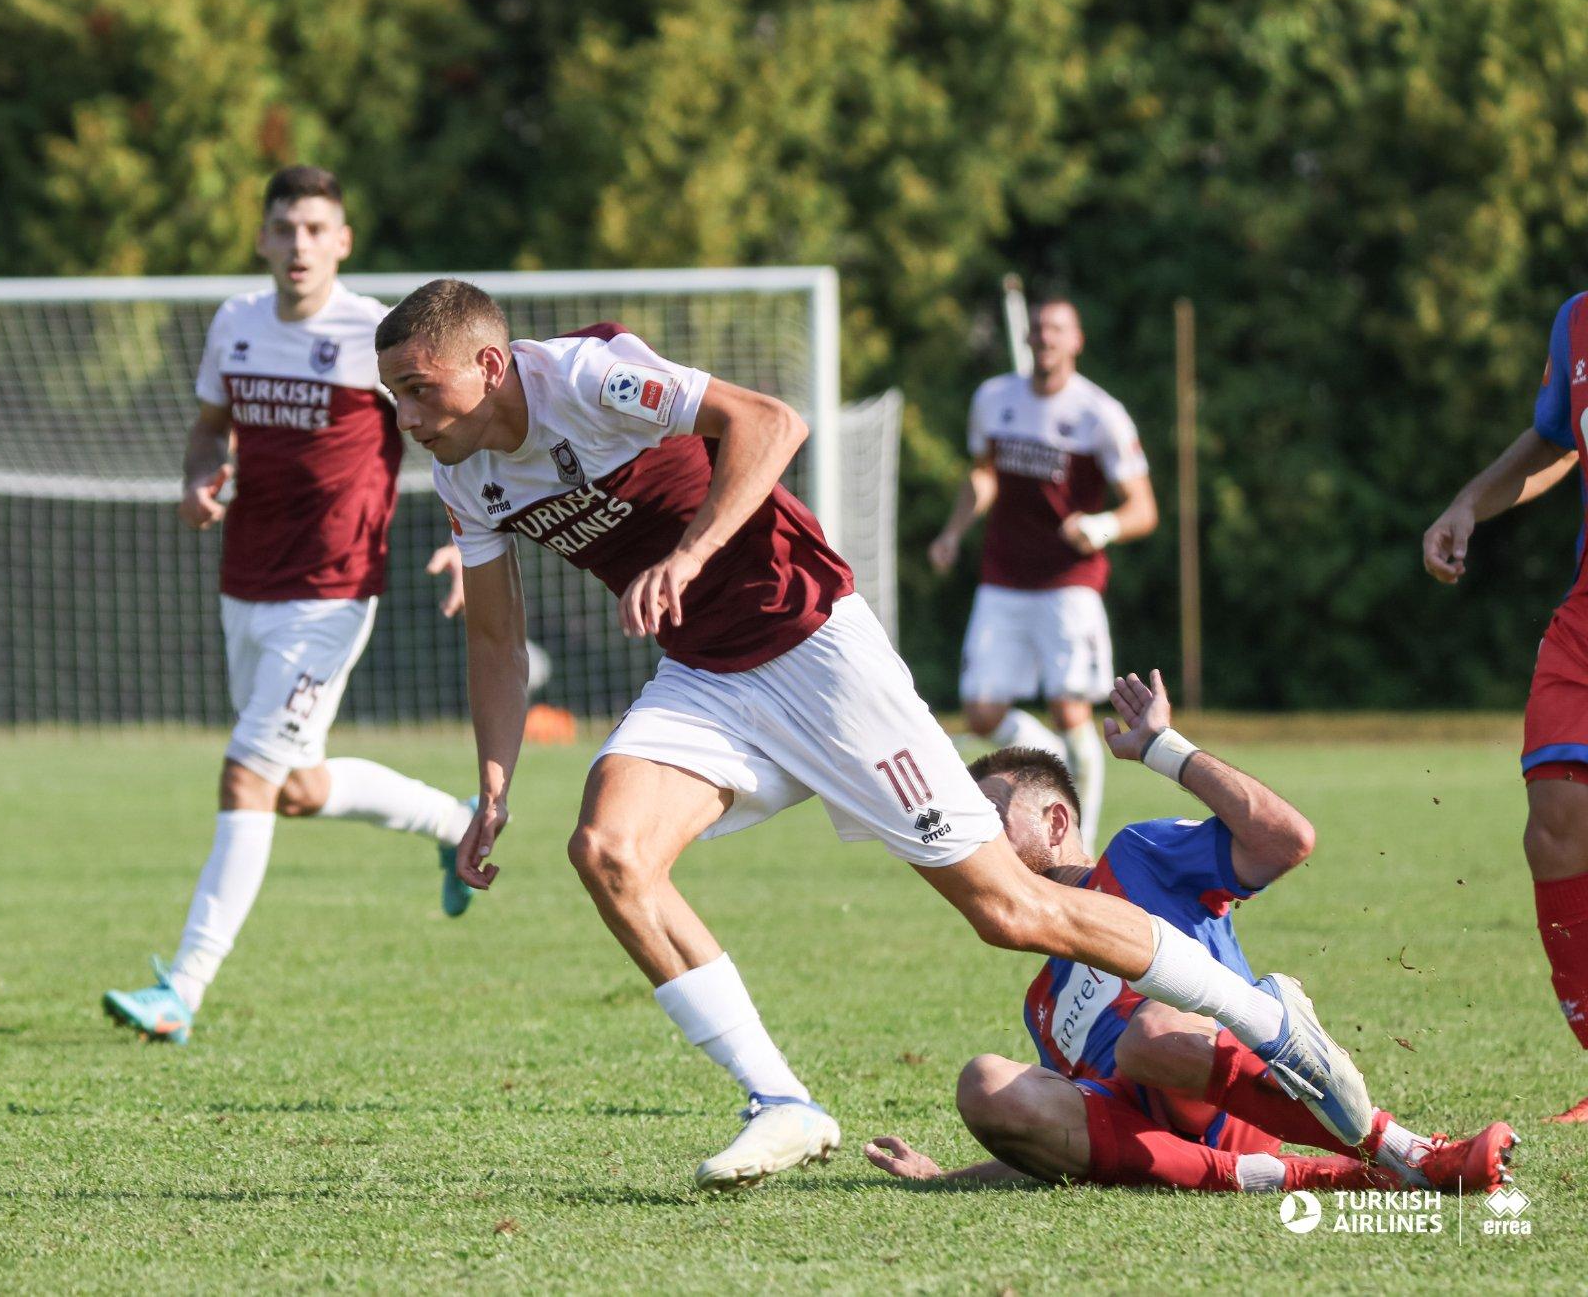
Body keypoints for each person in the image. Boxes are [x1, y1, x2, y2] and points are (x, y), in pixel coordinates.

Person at [378, 277, 1373, 1193]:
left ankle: (1265, 1024)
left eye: (420, 392)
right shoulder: (469, 477)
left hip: (815, 647)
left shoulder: (591, 377)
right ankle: (782, 1101)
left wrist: (689, 553)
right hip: (707, 679)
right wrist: (493, 786)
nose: (409, 420)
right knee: (608, 851)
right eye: (395, 400)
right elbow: (497, 642)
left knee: (1008, 910)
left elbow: (771, 423)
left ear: (491, 366)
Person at [862, 672, 1516, 1196]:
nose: (981, 836)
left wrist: (1163, 748)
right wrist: (946, 1178)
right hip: (1162, 1149)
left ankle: (1396, 1150)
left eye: (993, 815)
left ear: (1058, 820)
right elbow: (1068, 1134)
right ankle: (1317, 1176)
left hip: (1237, 1103)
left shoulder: (1138, 854)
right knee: (983, 1083)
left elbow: (1287, 841)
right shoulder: (1041, 998)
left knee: (1148, 1037)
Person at [103, 167, 472, 1046]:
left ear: (342, 241)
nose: (298, 243)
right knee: (292, 788)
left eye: (315, 227)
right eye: (283, 227)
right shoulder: (234, 324)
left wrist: (470, 534)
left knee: (244, 775)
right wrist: (198, 479)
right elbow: (208, 428)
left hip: (333, 591)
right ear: (263, 240)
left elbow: (452, 430)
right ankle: (452, 822)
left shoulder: (376, 334)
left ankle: (182, 989)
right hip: (246, 583)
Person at [1422, 289, 1588, 1124]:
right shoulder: (1576, 320)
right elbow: (1557, 438)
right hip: (1587, 618)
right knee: (1555, 824)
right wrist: (1468, 502)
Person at [928, 299, 1156, 846]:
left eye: (1056, 329)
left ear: (1076, 341)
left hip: (1067, 584)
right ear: (1027, 339)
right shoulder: (994, 399)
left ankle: (1083, 840)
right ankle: (1054, 761)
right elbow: (983, 475)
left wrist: (1100, 527)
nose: (1045, 337)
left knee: (1070, 704)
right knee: (981, 712)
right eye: (1038, 329)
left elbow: (1142, 509)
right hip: (1003, 575)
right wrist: (953, 531)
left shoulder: (1100, 413)